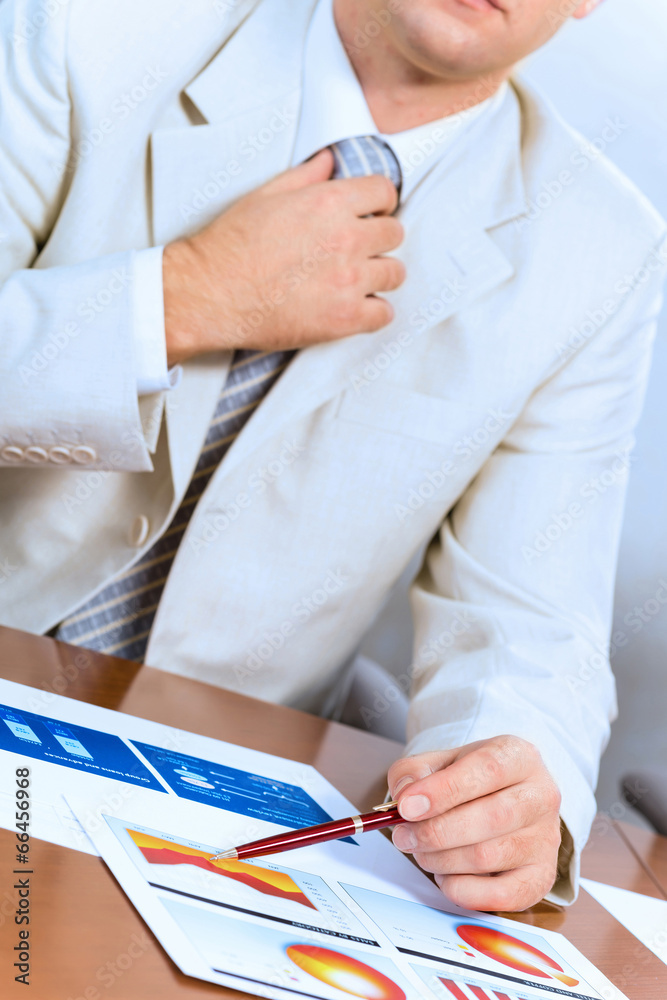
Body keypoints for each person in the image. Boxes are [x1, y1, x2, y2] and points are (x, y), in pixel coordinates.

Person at [0, 0, 665, 912]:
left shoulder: (603, 248)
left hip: (196, 808)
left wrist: (508, 784)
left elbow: (526, 615)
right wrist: (183, 296)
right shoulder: (77, 31)